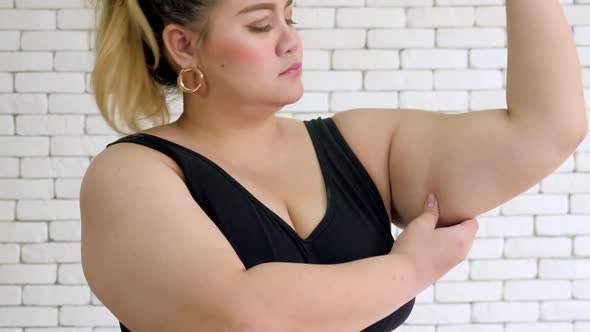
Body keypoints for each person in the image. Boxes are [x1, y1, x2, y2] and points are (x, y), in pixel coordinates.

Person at [80, 0, 585, 331]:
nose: (289, 40)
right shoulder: (132, 175)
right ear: (184, 46)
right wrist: (411, 267)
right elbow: (245, 319)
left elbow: (544, 130)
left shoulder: (361, 143)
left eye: (289, 16)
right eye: (260, 25)